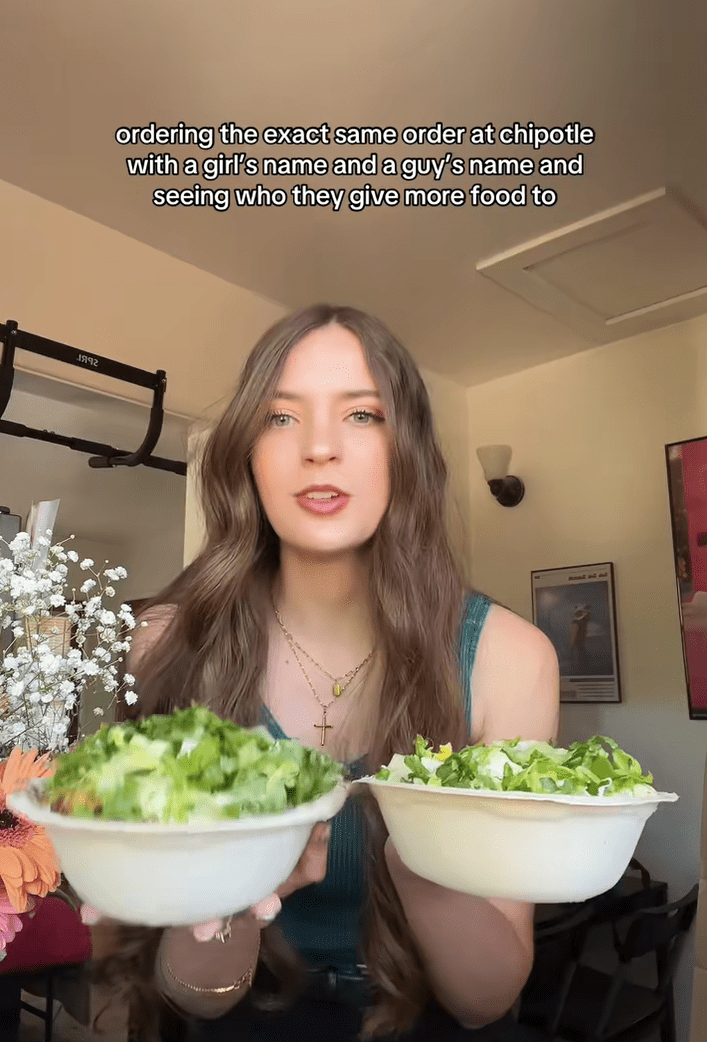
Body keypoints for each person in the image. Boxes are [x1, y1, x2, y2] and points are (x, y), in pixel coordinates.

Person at [87, 304, 559, 1042]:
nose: (318, 449)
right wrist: (238, 894)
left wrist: (423, 856)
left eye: (362, 415)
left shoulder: (511, 657)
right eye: (280, 419)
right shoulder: (169, 641)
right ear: (246, 452)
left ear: (405, 449)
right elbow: (196, 997)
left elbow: (483, 1002)